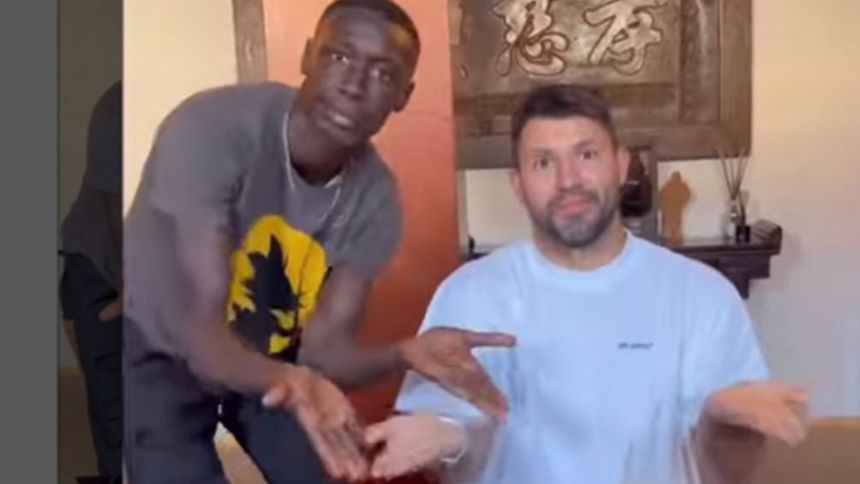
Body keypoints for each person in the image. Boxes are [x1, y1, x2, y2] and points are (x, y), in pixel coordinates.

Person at [123, 1, 514, 483]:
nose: (354, 86)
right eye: (339, 57)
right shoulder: (211, 131)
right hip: (165, 341)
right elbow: (200, 333)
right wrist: (292, 378)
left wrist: (403, 354)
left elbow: (323, 355)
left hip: (267, 356)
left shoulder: (375, 198)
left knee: (328, 472)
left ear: (403, 95)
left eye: (383, 74)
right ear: (308, 56)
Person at [364, 85, 810, 484]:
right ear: (518, 185)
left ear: (620, 165)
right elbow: (452, 459)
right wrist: (450, 436)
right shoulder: (468, 294)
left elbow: (724, 475)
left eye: (587, 155)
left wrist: (723, 427)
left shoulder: (702, 296)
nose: (569, 181)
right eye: (544, 162)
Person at [59, 80, 123, 482]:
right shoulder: (116, 108)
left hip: (164, 264)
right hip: (100, 262)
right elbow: (116, 205)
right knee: (112, 401)